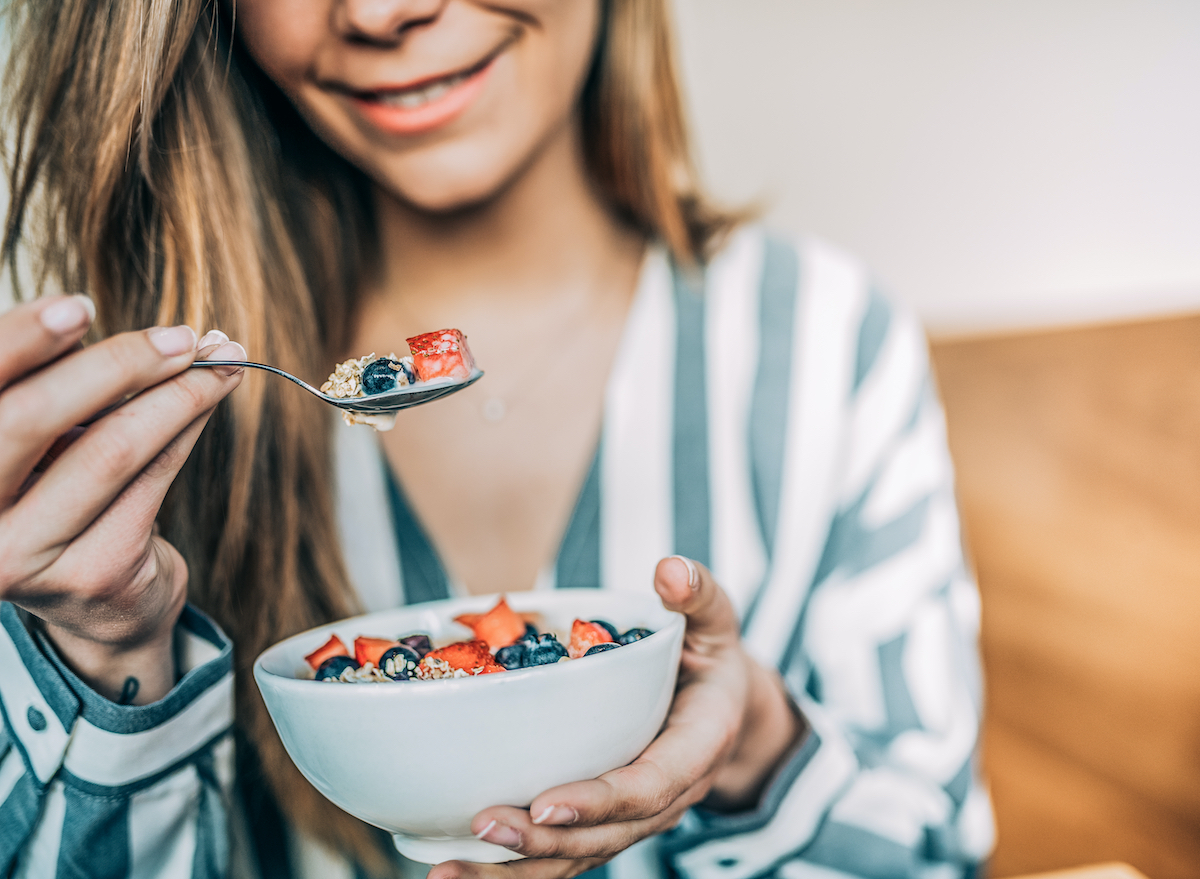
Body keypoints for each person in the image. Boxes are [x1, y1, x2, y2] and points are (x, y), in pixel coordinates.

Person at [0, 1, 993, 877]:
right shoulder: (129, 442)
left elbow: (930, 853)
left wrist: (749, 746)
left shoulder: (827, 341)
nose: (383, 11)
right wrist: (104, 653)